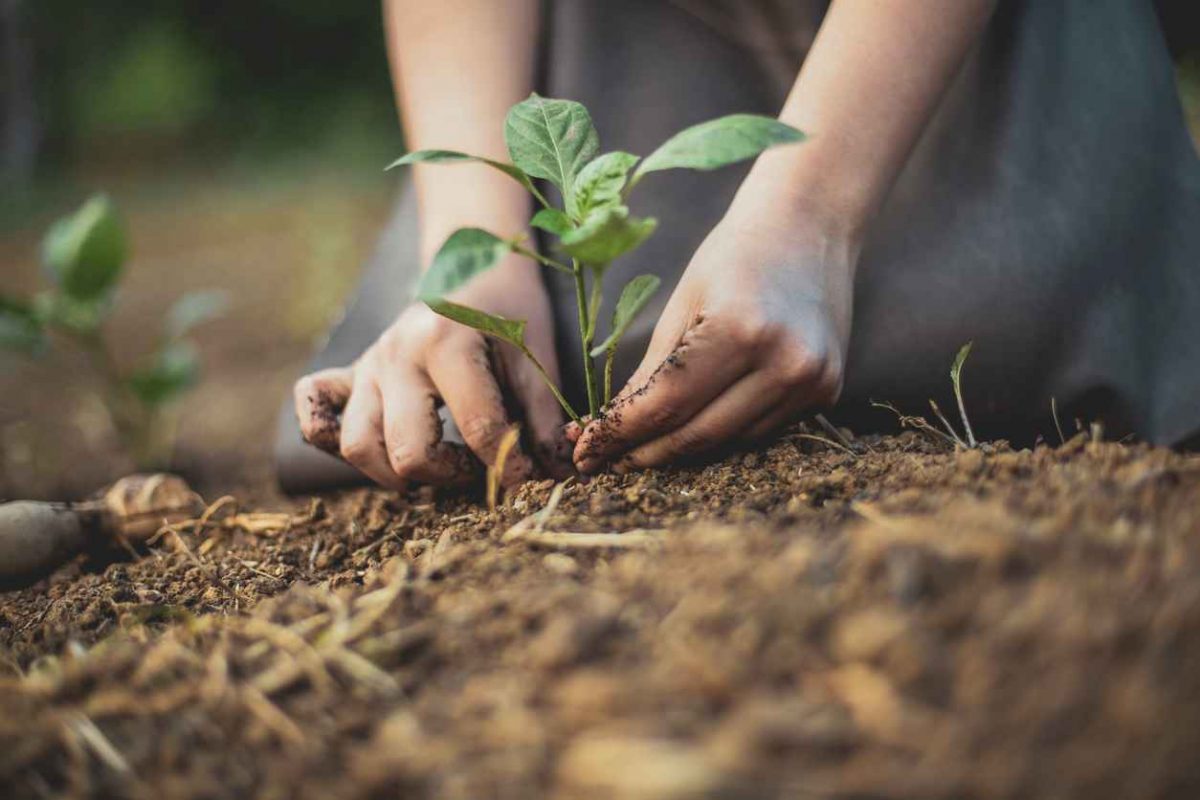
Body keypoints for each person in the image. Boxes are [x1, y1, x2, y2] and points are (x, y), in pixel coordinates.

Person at [276, 0, 1200, 494]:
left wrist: (813, 212)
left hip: (945, 52)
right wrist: (476, 247)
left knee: (1006, 321)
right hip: (599, 43)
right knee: (463, 375)